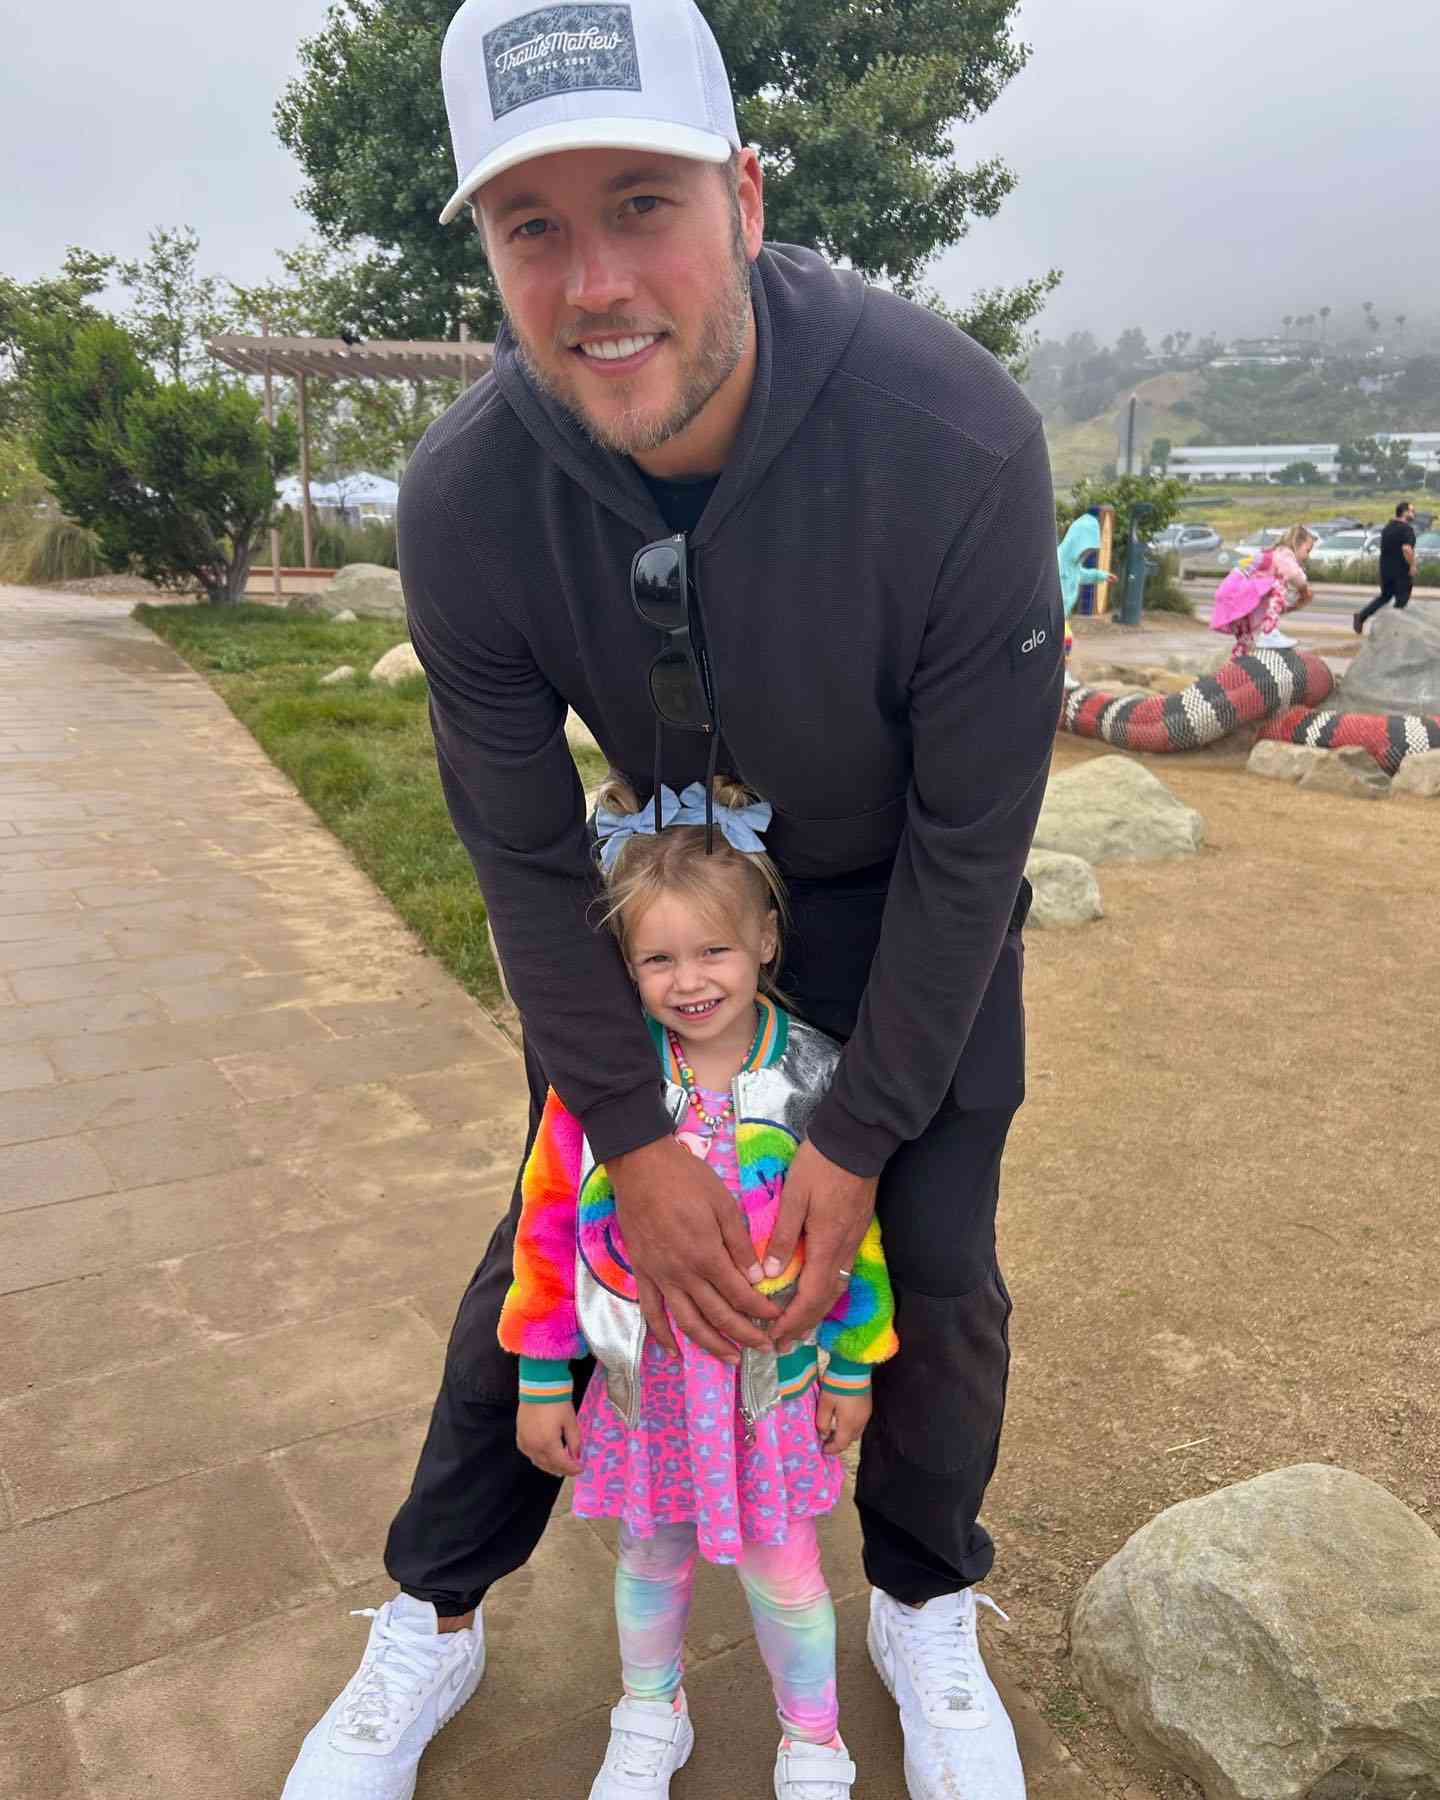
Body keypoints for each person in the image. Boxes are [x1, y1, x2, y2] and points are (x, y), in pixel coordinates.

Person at [280, 0, 1063, 1792]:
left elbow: (974, 847)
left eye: (644, 202)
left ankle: (925, 1599)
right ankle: (435, 1613)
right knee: (548, 1244)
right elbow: (523, 851)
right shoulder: (470, 501)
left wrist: (851, 1148)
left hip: (901, 901)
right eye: (532, 227)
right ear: (486, 248)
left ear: (749, 199)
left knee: (932, 1264)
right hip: (679, 919)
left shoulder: (952, 440)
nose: (595, 279)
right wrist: (629, 1132)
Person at [502, 775, 897, 1796]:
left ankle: (812, 1739)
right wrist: (545, 1375)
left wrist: (854, 1364)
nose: (689, 980)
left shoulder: (816, 1076)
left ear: (767, 937)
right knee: (649, 1556)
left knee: (788, 1570)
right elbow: (552, 1225)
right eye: (657, 958)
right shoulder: (603, 1087)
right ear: (623, 965)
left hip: (775, 1388)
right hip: (654, 1392)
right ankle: (649, 1711)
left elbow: (856, 1241)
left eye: (713, 949)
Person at [1209, 525, 1315, 659]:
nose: (1307, 556)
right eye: (1307, 550)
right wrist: (1304, 589)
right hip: (1237, 590)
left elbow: (1273, 605)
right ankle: (1268, 632)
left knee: (1245, 641)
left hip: (1232, 594)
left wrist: (1293, 606)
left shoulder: (1270, 557)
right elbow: (1293, 574)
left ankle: (1237, 662)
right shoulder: (1284, 552)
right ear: (1296, 544)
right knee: (1278, 583)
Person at [1354, 502, 1418, 633]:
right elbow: (1406, 548)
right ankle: (1393, 630)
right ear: (1404, 512)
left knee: (1385, 596)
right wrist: (1412, 565)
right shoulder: (1407, 529)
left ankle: (1361, 616)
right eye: (1412, 511)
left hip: (1386, 570)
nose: (1414, 513)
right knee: (1401, 600)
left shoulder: (1388, 527)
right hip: (1401, 572)